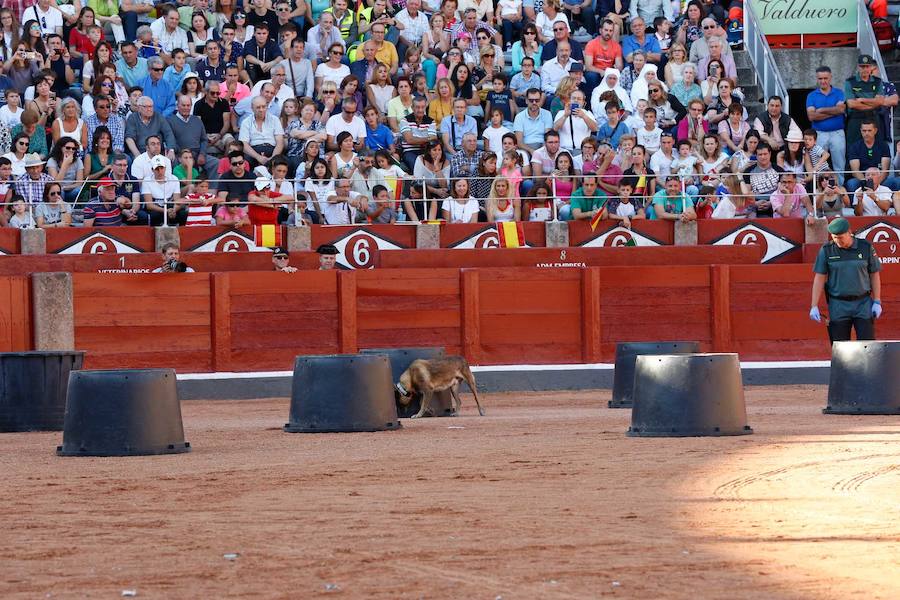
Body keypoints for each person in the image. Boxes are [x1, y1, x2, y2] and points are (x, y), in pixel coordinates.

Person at [810, 217, 882, 342]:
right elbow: (819, 278)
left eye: (841, 237)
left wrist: (877, 301)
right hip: (838, 305)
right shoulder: (827, 250)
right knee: (840, 346)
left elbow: (874, 274)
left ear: (849, 232)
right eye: (834, 237)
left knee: (868, 345)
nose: (838, 241)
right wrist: (814, 305)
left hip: (863, 303)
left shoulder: (865, 247)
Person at [806, 66, 846, 183]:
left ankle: (840, 189)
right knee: (819, 164)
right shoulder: (811, 95)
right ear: (817, 79)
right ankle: (819, 189)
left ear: (830, 77)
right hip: (819, 134)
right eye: (820, 78)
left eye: (825, 78)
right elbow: (811, 116)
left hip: (837, 132)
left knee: (839, 163)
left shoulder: (839, 93)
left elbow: (841, 110)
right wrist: (834, 112)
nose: (823, 81)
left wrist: (821, 109)